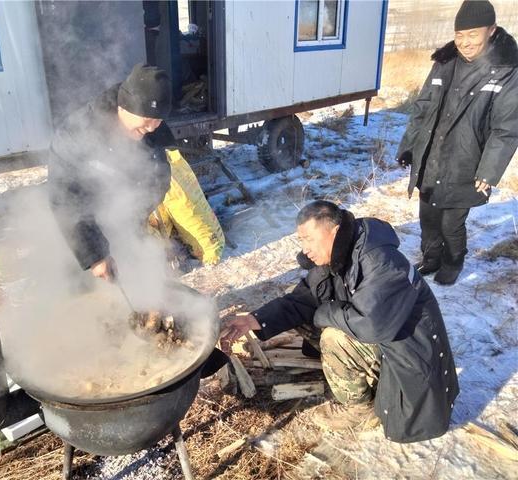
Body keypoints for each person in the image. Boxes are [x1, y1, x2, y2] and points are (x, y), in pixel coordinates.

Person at [221, 201, 459, 443]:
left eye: (309, 239)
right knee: (305, 313)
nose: (305, 250)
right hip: (384, 343)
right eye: (301, 241)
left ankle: (360, 410)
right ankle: (349, 372)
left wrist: (325, 314)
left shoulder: (381, 261)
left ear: (333, 231)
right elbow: (302, 299)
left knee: (334, 337)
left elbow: (371, 325)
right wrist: (254, 320)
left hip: (409, 356)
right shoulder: (338, 255)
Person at [396, 0, 518, 285]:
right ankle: (430, 258)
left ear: (491, 30)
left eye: (472, 34)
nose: (465, 42)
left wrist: (489, 170)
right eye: (459, 35)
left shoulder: (506, 70)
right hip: (432, 154)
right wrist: (409, 146)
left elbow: (506, 127)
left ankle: (452, 262)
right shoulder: (444, 62)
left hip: (467, 158)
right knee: (427, 216)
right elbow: (422, 108)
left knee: (451, 222)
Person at [49, 63, 175, 281]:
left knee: (131, 284)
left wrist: (135, 219)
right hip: (80, 234)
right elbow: (64, 201)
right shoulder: (77, 133)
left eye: (158, 121)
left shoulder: (151, 131)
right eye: (145, 123)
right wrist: (94, 255)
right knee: (84, 293)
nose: (152, 128)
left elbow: (158, 176)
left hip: (123, 227)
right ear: (124, 107)